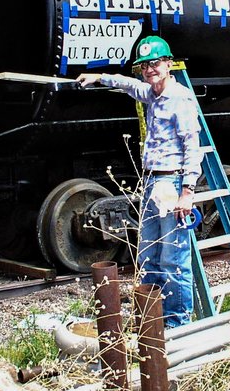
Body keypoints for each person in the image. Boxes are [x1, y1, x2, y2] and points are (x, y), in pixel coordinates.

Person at [77, 35, 202, 327]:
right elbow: (128, 84)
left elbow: (192, 148)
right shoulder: (152, 94)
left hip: (172, 185)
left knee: (173, 257)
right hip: (152, 184)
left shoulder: (180, 98)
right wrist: (98, 77)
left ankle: (177, 323)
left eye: (155, 63)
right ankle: (152, 319)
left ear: (169, 64)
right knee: (148, 255)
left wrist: (187, 191)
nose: (149, 70)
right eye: (145, 65)